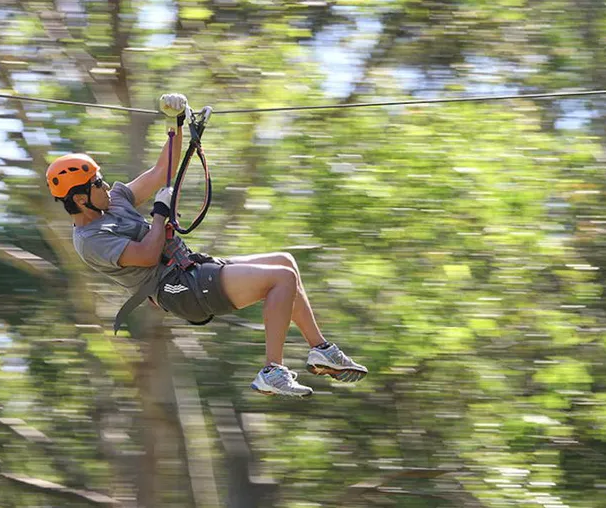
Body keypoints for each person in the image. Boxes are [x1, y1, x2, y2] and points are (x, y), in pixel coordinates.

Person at [45, 93, 368, 397]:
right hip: (174, 289)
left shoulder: (115, 202)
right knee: (279, 280)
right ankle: (271, 371)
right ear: (80, 198)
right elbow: (145, 257)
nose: (106, 184)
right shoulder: (91, 241)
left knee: (285, 262)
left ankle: (321, 351)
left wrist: (175, 122)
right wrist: (159, 213)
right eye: (98, 182)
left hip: (190, 268)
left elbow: (163, 171)